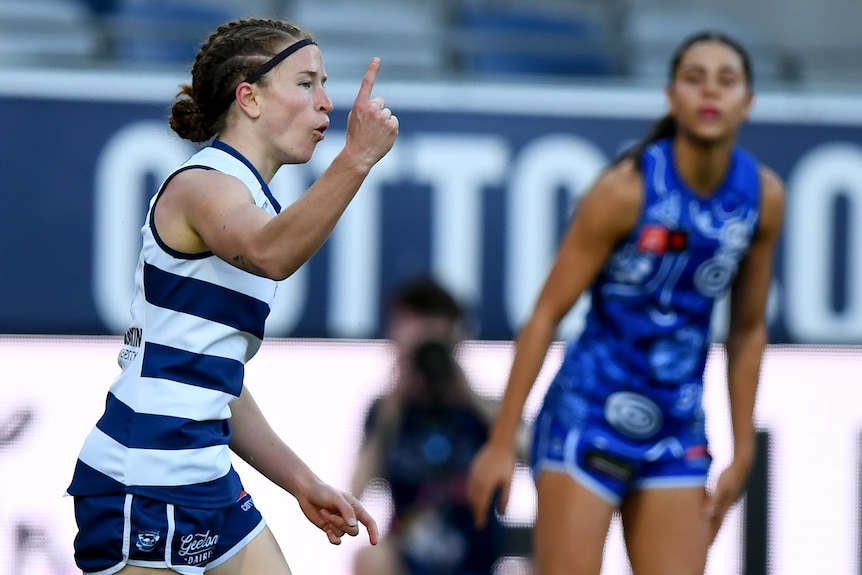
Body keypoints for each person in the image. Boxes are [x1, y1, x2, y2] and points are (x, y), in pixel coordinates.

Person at [66, 17, 398, 575]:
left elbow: (216, 384)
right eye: (306, 83)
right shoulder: (204, 183)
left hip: (205, 478)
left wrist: (303, 483)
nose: (326, 103)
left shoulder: (249, 198)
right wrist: (356, 158)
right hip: (143, 478)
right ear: (249, 97)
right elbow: (272, 252)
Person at [467, 30, 785, 575]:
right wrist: (501, 443)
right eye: (694, 78)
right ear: (671, 97)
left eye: (726, 80)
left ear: (748, 103)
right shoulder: (625, 190)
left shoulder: (762, 197)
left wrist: (744, 446)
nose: (710, 91)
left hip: (676, 427)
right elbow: (545, 314)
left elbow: (748, 329)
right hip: (586, 417)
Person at [350, 277, 523, 575]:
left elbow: (530, 454)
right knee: (369, 558)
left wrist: (465, 389)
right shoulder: (387, 411)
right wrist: (396, 400)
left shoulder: (483, 410)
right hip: (410, 560)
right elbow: (357, 492)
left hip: (481, 562)